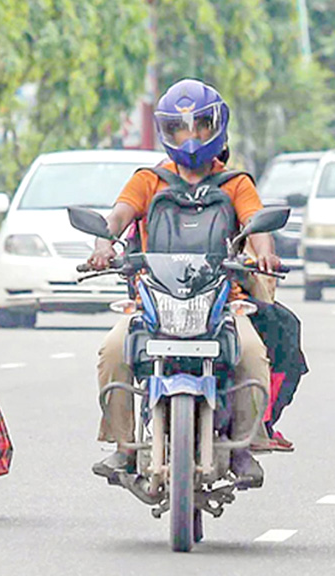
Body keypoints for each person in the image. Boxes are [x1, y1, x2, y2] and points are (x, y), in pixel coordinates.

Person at [87, 79, 279, 486]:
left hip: (222, 302)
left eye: (200, 127)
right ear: (166, 132)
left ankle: (243, 446)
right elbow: (117, 218)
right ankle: (123, 448)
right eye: (179, 129)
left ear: (217, 128)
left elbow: (257, 224)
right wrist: (104, 245)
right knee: (112, 352)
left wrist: (263, 251)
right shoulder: (148, 180)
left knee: (251, 354)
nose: (190, 138)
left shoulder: (236, 184)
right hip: (155, 302)